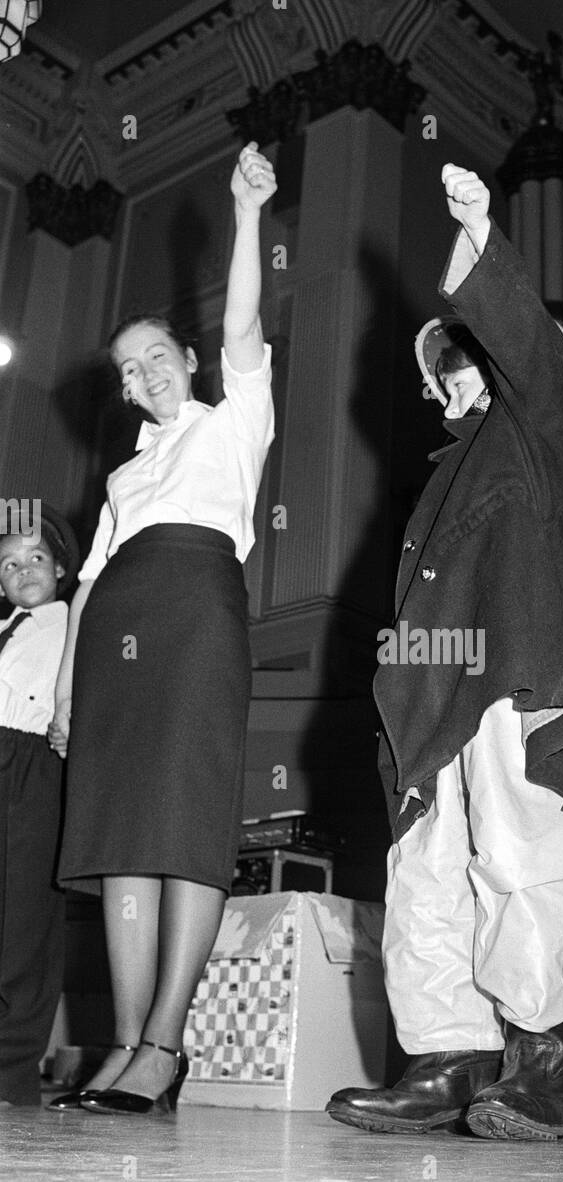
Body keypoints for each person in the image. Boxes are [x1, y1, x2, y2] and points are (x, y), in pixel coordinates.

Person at [327, 164, 563, 1141]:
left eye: (468, 356)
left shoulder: (542, 433)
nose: (454, 374)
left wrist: (483, 239)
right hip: (424, 700)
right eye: (443, 367)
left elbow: (538, 358)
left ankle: (537, 1058)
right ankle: (446, 1055)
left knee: (524, 851)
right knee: (426, 873)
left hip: (515, 669)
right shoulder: (435, 486)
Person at [47, 142, 277, 1115]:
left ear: (187, 361)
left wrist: (247, 214)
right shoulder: (120, 477)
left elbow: (244, 320)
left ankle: (165, 1043)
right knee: (122, 838)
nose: (144, 378)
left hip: (195, 623)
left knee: (182, 825)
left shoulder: (235, 421)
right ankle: (123, 1043)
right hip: (114, 645)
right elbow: (90, 585)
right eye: (127, 373)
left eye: (157, 359)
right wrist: (65, 686)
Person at [0, 505, 78, 1106]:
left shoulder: (77, 622)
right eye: (8, 564)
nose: (22, 569)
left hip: (31, 764)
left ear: (60, 567)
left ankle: (11, 1072)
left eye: (36, 558)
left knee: (25, 918)